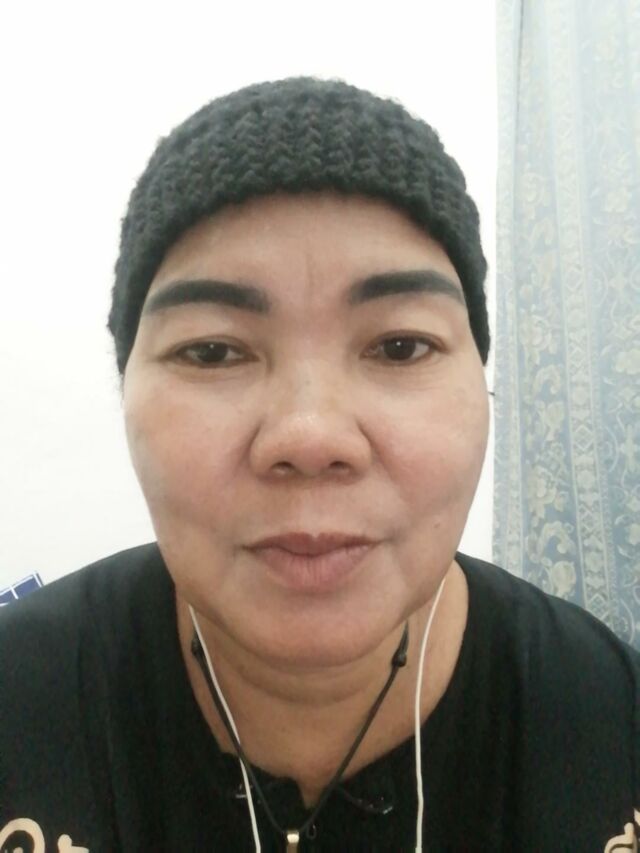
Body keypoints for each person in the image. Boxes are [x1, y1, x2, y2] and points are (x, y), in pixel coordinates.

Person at [0, 76, 638, 853]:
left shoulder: (613, 723)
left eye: (399, 345)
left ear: (483, 382)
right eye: (213, 351)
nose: (309, 437)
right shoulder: (19, 703)